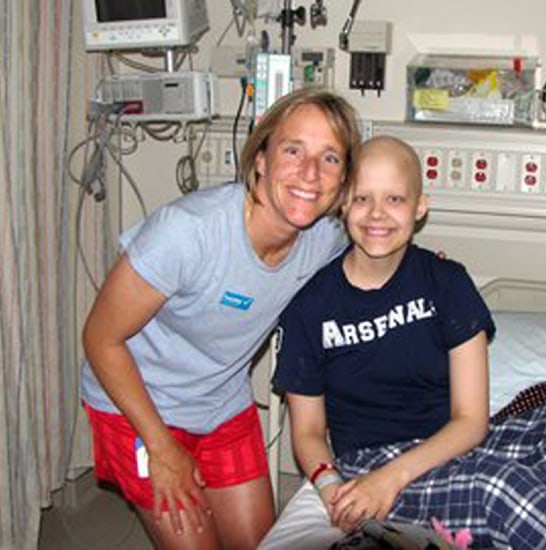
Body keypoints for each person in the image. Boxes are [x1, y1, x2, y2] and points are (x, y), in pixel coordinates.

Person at [272, 135, 546, 548]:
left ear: (419, 207)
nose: (377, 215)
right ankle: (537, 519)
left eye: (394, 199)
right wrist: (335, 488)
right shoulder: (310, 308)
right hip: (371, 466)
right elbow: (310, 432)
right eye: (362, 199)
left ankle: (531, 519)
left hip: (454, 447)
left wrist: (400, 475)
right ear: (343, 204)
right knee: (499, 487)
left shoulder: (446, 283)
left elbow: (471, 422)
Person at [80, 87, 362, 549]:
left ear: (343, 178)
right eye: (293, 150)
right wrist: (161, 446)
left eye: (330, 157)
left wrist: (423, 273)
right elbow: (99, 339)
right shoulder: (187, 234)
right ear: (261, 159)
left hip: (219, 401)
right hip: (136, 404)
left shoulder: (323, 237)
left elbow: (375, 246)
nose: (310, 173)